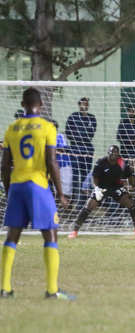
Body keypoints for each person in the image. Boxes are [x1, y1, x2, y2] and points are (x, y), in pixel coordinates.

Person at [1, 88, 73, 300]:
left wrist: (8, 190)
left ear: (23, 104)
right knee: (50, 233)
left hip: (16, 186)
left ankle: (5, 288)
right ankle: (52, 290)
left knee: (12, 235)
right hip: (38, 185)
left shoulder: (12, 128)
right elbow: (51, 161)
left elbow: (5, 165)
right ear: (40, 105)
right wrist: (60, 193)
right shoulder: (47, 127)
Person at [67, 145, 135, 238]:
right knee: (88, 206)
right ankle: (75, 231)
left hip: (117, 187)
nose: (113, 154)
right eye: (111, 152)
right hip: (102, 188)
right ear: (108, 153)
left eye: (115, 153)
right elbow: (95, 177)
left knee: (131, 205)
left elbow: (130, 177)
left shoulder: (122, 163)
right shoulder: (101, 162)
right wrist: (97, 189)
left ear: (118, 154)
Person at [65, 97, 97, 209]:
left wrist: (81, 136)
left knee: (85, 175)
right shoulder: (73, 117)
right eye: (83, 103)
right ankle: (74, 200)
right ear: (79, 105)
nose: (85, 105)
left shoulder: (92, 118)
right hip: (75, 149)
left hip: (87, 150)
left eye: (87, 103)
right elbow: (68, 132)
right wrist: (79, 137)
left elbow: (91, 134)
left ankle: (83, 203)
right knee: (75, 175)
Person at [52, 120, 73, 198]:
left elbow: (62, 149)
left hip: (64, 165)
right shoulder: (46, 137)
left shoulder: (60, 136)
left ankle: (67, 207)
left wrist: (50, 149)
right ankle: (59, 208)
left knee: (66, 188)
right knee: (56, 188)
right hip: (54, 165)